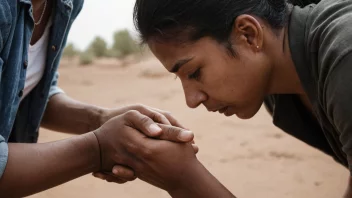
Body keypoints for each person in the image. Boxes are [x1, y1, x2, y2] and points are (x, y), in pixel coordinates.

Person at [129, 0, 352, 197]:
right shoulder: (276, 94)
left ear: (248, 34)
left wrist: (183, 180)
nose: (192, 100)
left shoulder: (345, 58)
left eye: (194, 72)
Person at [0, 0, 198, 197]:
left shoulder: (66, 4)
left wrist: (100, 118)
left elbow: (31, 94)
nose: (192, 100)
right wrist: (98, 149)